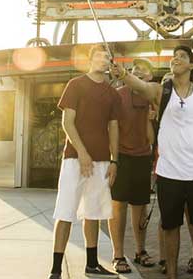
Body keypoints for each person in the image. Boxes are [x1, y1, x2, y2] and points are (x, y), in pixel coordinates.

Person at [110, 45, 193, 279]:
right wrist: (123, 74)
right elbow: (140, 85)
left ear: (192, 65)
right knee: (170, 227)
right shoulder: (162, 91)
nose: (176, 58)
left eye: (182, 56)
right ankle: (171, 274)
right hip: (169, 173)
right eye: (174, 56)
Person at [49, 44, 120, 279]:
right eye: (100, 55)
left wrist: (114, 160)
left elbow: (113, 127)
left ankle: (91, 264)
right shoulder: (76, 84)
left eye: (108, 56)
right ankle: (56, 270)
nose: (104, 59)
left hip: (101, 161)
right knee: (66, 212)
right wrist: (82, 152)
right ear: (90, 60)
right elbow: (67, 122)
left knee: (94, 213)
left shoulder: (113, 93)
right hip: (74, 159)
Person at [109, 58, 156, 274]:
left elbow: (151, 139)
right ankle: (118, 254)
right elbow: (112, 129)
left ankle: (140, 251)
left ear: (150, 78)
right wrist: (114, 159)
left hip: (143, 157)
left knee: (140, 207)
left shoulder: (152, 98)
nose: (137, 71)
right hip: (122, 156)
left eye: (143, 70)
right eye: (134, 68)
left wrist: (149, 118)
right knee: (118, 206)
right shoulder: (118, 95)